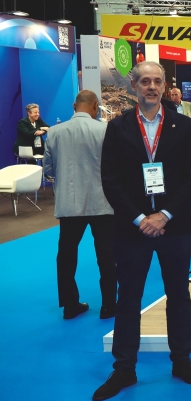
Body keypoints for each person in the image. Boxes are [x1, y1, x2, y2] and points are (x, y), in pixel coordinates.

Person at [93, 61, 191, 401]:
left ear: (164, 85)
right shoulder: (118, 127)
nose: (152, 87)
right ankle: (124, 368)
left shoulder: (183, 125)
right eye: (145, 81)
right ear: (134, 86)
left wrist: (165, 215)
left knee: (178, 296)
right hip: (132, 229)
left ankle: (182, 360)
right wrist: (140, 218)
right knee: (129, 299)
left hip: (174, 225)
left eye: (157, 81)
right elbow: (110, 179)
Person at [43, 90, 116, 320]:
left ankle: (70, 305)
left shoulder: (54, 132)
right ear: (95, 106)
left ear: (74, 106)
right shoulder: (105, 130)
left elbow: (48, 169)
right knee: (106, 255)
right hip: (102, 202)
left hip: (69, 203)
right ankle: (109, 305)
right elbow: (115, 167)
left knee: (66, 255)